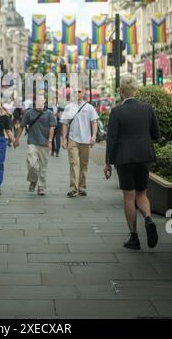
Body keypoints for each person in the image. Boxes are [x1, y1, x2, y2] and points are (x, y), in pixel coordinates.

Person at [104, 75, 160, 250]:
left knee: (129, 197)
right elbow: (156, 134)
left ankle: (134, 237)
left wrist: (108, 162)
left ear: (121, 91)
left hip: (124, 158)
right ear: (136, 90)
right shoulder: (147, 109)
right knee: (142, 194)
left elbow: (111, 139)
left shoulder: (117, 111)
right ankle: (149, 219)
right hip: (144, 156)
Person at [14, 95, 56, 196]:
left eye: (42, 101)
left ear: (45, 102)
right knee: (32, 164)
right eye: (38, 101)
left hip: (44, 143)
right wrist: (16, 139)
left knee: (43, 167)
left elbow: (52, 128)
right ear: (35, 102)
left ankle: (41, 187)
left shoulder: (49, 113)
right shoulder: (29, 113)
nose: (40, 103)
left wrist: (50, 141)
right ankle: (33, 180)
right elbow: (22, 126)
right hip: (32, 142)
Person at [61, 88, 98, 197]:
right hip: (73, 139)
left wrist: (94, 136)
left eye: (79, 91)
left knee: (84, 164)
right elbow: (64, 124)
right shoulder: (68, 107)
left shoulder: (89, 107)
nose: (77, 93)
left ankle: (82, 187)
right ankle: (74, 188)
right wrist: (64, 139)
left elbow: (94, 122)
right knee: (74, 163)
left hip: (85, 140)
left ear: (83, 93)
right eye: (75, 92)